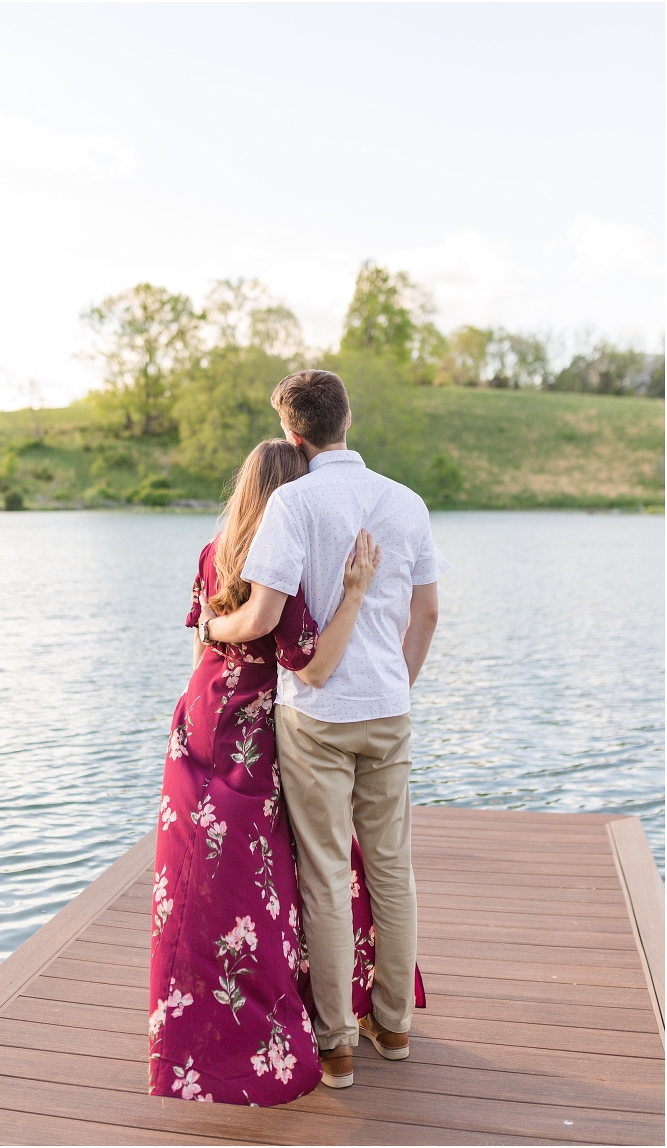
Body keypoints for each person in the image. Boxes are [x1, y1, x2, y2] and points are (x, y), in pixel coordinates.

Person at [199, 369, 447, 1088]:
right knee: (393, 868)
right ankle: (393, 1028)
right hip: (388, 708)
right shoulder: (406, 503)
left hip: (314, 717)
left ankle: (337, 1044)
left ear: (292, 433)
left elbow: (264, 617)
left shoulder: (294, 504)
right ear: (350, 418)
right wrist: (396, 680)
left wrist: (215, 625)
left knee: (326, 876)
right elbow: (427, 614)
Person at [149, 439, 386, 1107]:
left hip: (199, 716)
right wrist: (355, 595)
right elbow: (311, 662)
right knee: (287, 875)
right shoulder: (289, 562)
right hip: (262, 727)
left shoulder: (216, 548)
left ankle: (194, 1033)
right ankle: (313, 1020)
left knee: (200, 884)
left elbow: (198, 641)